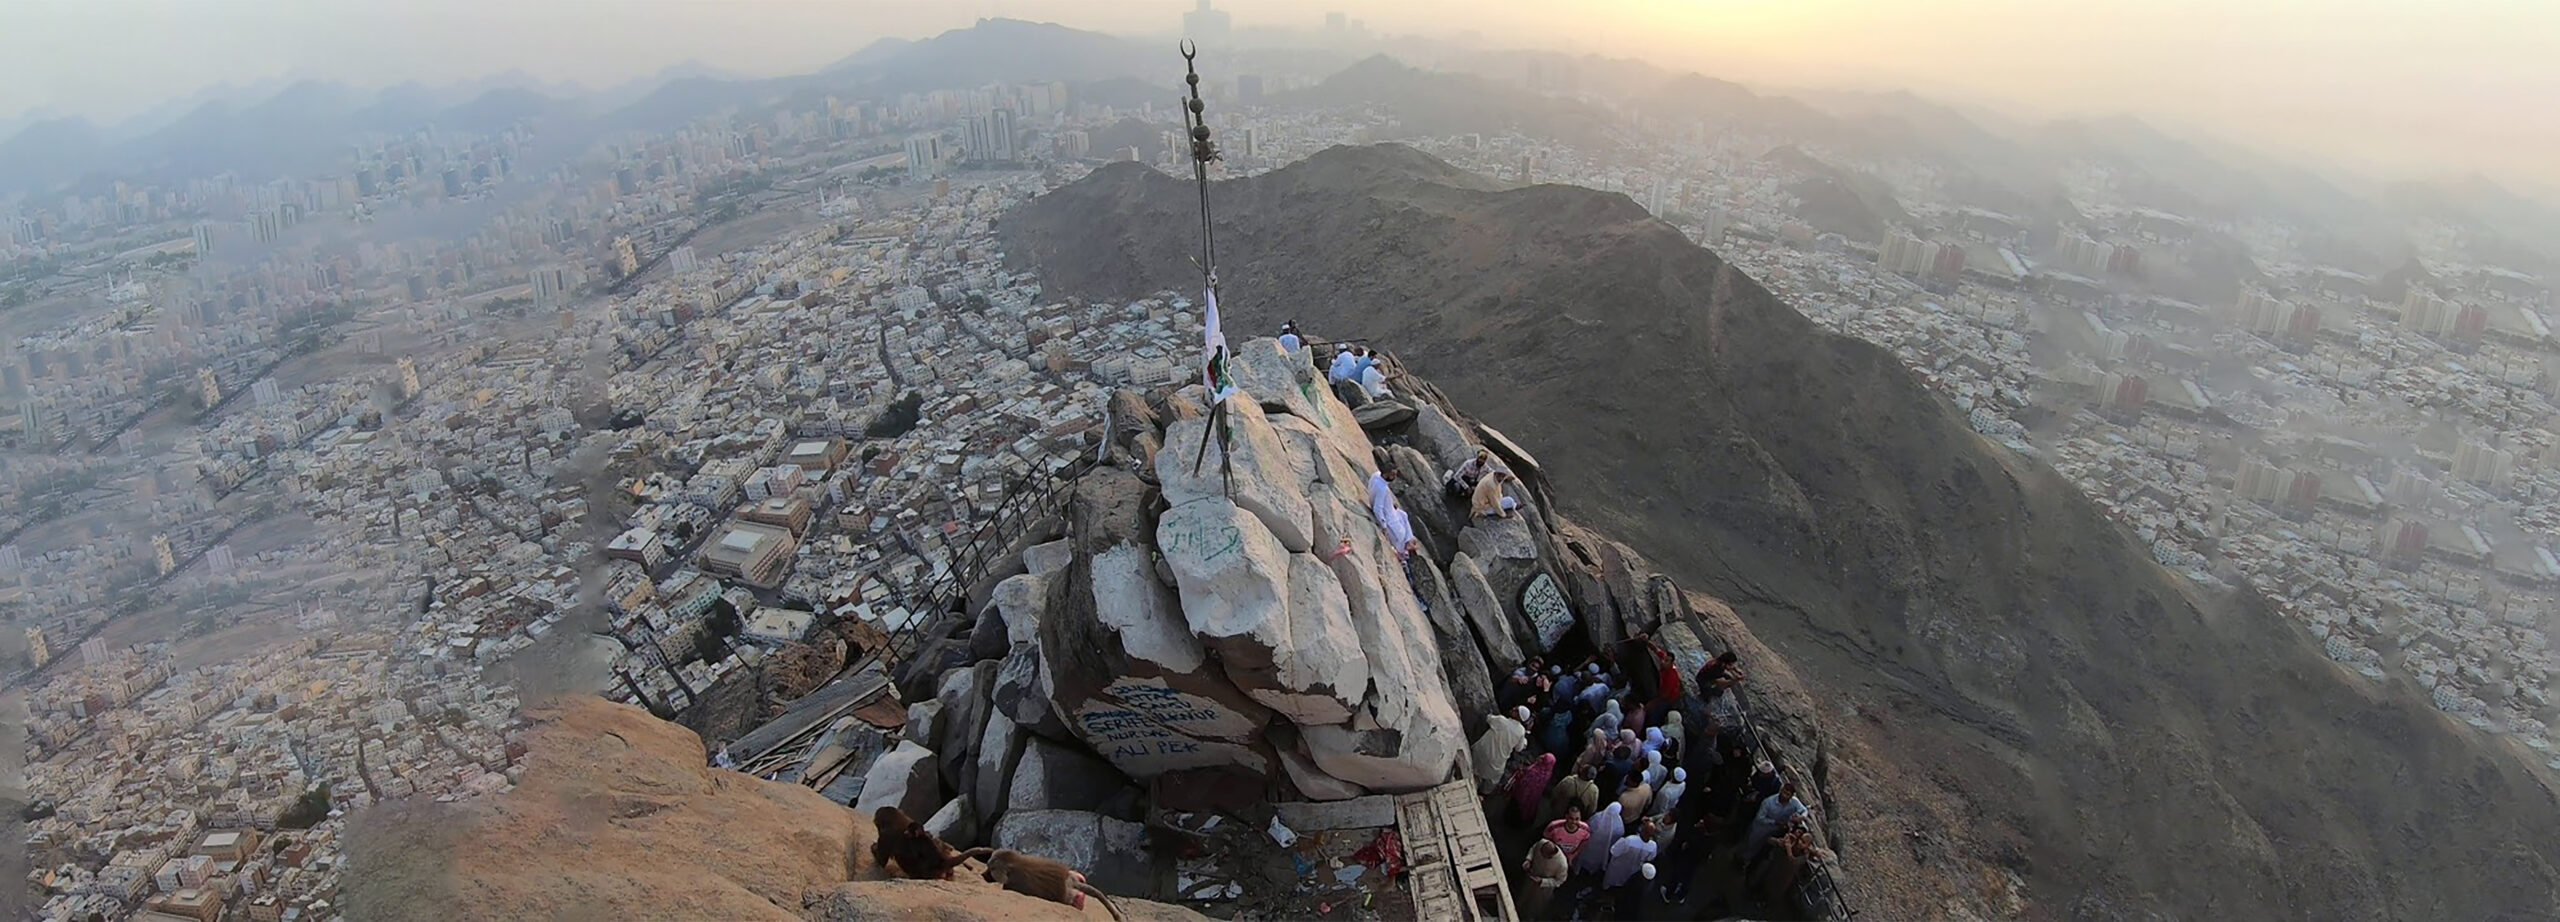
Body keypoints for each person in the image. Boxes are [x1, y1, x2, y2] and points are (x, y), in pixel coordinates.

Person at [1742, 782, 1808, 867]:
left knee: (1764, 849)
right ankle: (1742, 860)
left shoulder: (1794, 802)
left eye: (1787, 794)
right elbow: (1760, 818)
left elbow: (1804, 810)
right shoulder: (1768, 802)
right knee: (1751, 845)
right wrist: (1775, 822)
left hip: (1776, 831)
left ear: (1791, 796)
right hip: (1761, 828)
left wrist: (1801, 817)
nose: (1784, 795)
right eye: (1783, 792)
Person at [1472, 709, 1529, 795]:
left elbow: (1488, 718)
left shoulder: (1501, 720)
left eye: (1516, 710)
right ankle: (1483, 793)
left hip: (1480, 752)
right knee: (1494, 778)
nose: (1513, 709)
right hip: (1496, 763)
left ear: (1518, 716)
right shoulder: (1521, 731)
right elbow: (1518, 748)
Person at [1519, 837, 1570, 919]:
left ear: (1551, 855)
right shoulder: (1542, 842)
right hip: (1531, 876)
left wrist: (1543, 881)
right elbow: (1533, 849)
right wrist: (1528, 860)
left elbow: (1560, 881)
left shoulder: (1562, 864)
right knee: (1523, 896)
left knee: (1534, 905)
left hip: (1543, 889)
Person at [1573, 803, 1625, 878]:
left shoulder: (1598, 817)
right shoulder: (1618, 824)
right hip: (1602, 850)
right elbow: (1619, 835)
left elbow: (1588, 825)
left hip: (1591, 844)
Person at [1508, 752, 1559, 826]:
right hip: (1534, 796)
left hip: (1523, 794)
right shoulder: (1547, 772)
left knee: (1517, 807)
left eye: (1544, 758)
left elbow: (1524, 782)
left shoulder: (1534, 772)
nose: (1541, 756)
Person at [1544, 805, 1595, 869]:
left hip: (1571, 859)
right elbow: (1545, 839)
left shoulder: (1585, 829)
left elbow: (1585, 841)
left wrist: (1573, 855)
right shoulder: (1554, 826)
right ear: (1566, 816)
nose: (1574, 822)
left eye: (1577, 819)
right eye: (1571, 818)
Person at [1368, 467, 1399, 531]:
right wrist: (1384, 526)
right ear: (1386, 474)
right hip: (1386, 515)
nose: (1395, 477)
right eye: (1393, 474)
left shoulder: (1376, 475)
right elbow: (1377, 508)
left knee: (1403, 515)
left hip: (1384, 507)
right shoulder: (1383, 489)